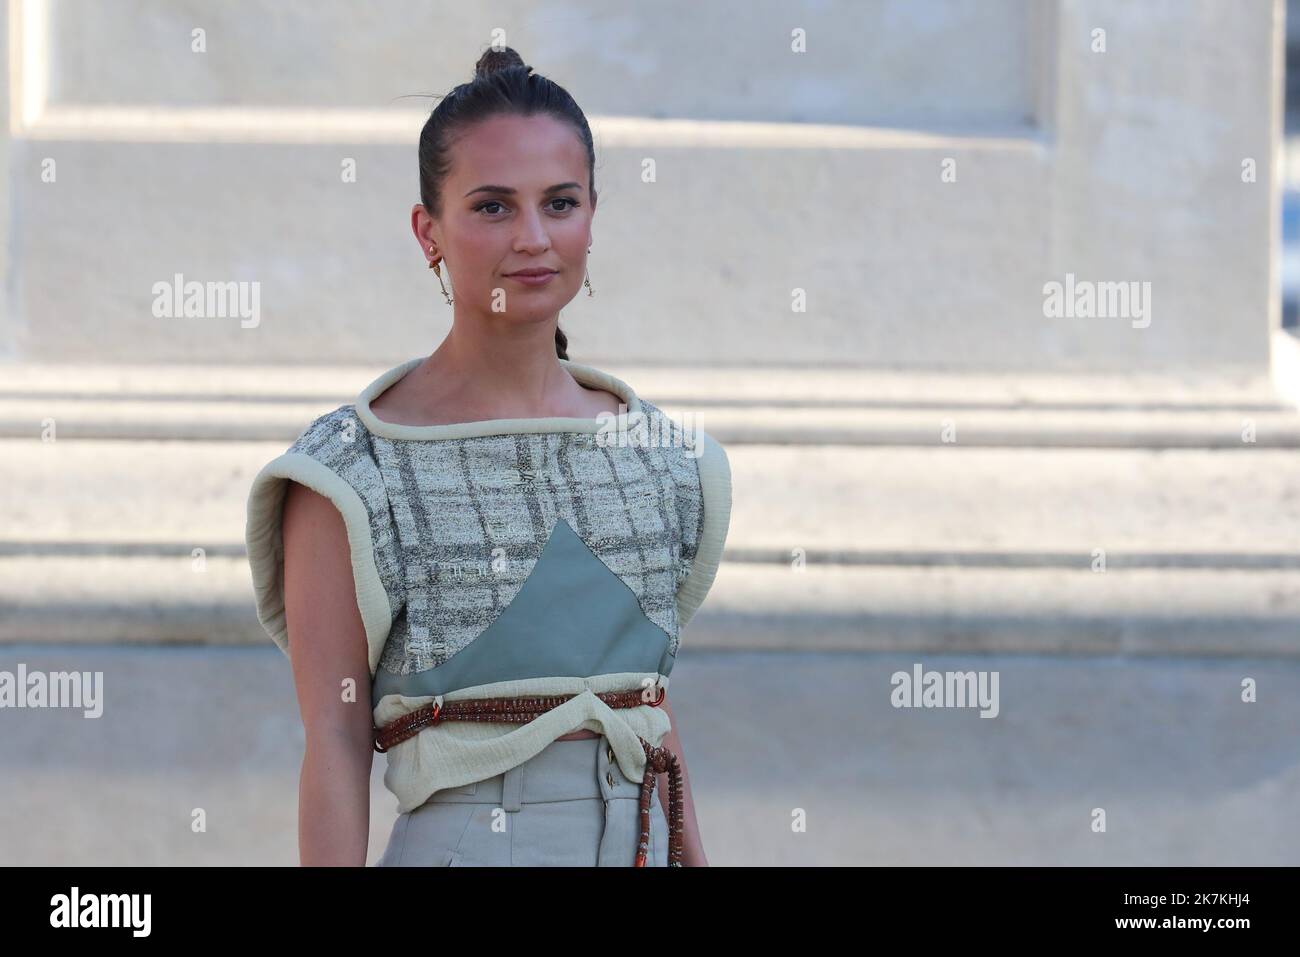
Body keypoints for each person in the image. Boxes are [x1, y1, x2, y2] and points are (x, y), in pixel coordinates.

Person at [244, 45, 731, 866]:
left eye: (561, 202)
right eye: (494, 207)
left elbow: (647, 711)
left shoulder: (662, 454)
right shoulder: (353, 470)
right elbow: (333, 737)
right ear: (427, 231)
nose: (535, 238)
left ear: (593, 215)